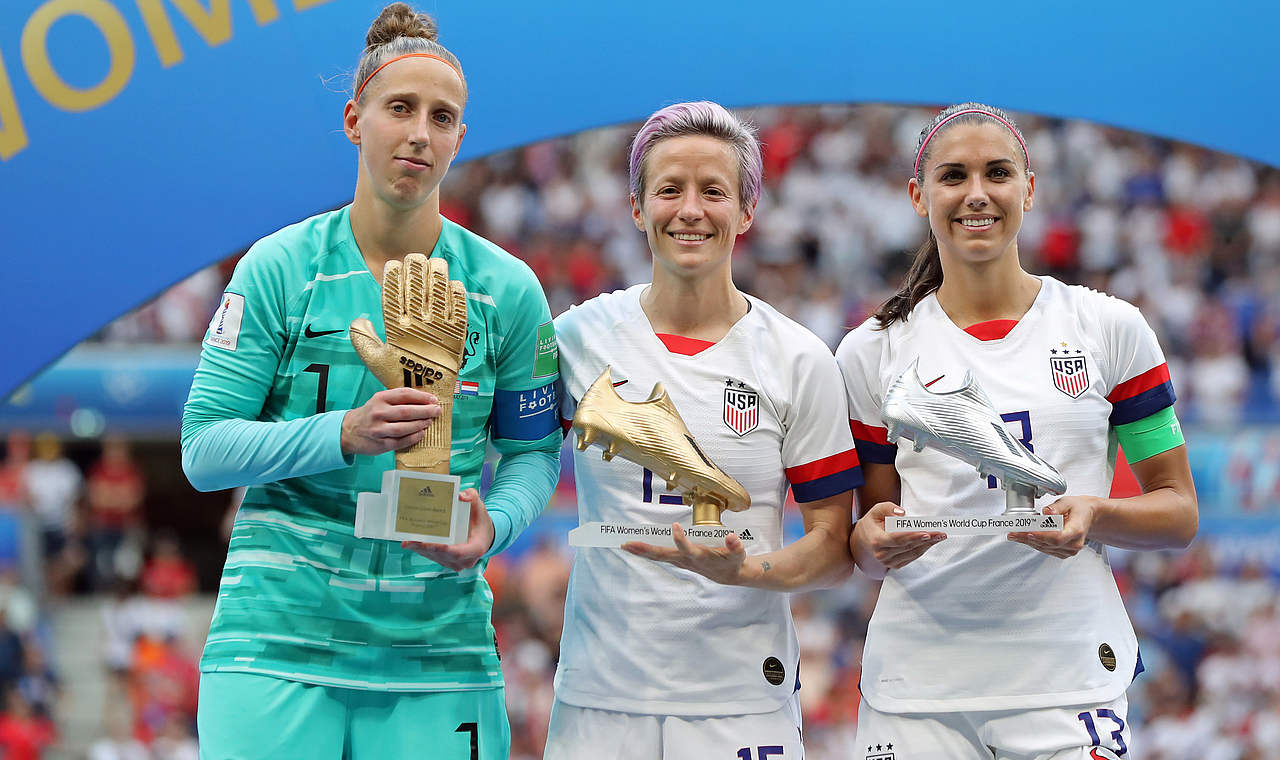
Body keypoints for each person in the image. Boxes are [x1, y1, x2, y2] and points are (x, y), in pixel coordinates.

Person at [179, 4, 562, 758]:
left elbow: (534, 452)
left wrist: (498, 526)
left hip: (439, 655)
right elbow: (202, 450)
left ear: (460, 138)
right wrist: (344, 432)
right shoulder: (279, 269)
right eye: (400, 108)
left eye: (442, 116)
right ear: (355, 120)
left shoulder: (509, 290)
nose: (420, 131)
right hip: (275, 650)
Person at [835, 102, 1198, 760]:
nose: (977, 194)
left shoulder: (1110, 329)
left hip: (1067, 681)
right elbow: (866, 535)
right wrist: (870, 540)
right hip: (919, 690)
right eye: (954, 176)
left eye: (997, 173)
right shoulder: (870, 352)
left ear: (1029, 189)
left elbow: (1177, 512)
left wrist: (1095, 512)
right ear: (919, 196)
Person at [546, 101, 862, 760]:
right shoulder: (577, 338)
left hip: (741, 700)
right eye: (669, 189)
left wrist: (749, 570)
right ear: (637, 208)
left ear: (747, 210)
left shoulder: (798, 359)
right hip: (600, 699)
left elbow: (834, 548)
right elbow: (511, 455)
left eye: (713, 191)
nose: (690, 209)